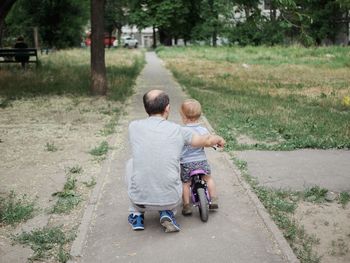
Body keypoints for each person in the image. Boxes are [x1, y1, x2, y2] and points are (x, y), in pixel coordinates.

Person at [127, 89, 225, 233]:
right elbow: (205, 140)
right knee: (172, 166)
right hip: (171, 200)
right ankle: (168, 212)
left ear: (146, 108)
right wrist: (219, 139)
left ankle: (136, 215)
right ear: (167, 108)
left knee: (131, 163)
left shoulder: (133, 127)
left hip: (139, 201)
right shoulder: (178, 130)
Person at [179, 99, 219, 216]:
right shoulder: (203, 130)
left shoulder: (182, 131)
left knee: (186, 183)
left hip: (186, 163)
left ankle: (186, 205)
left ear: (184, 117)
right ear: (200, 115)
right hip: (201, 161)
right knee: (208, 178)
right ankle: (214, 198)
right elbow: (209, 141)